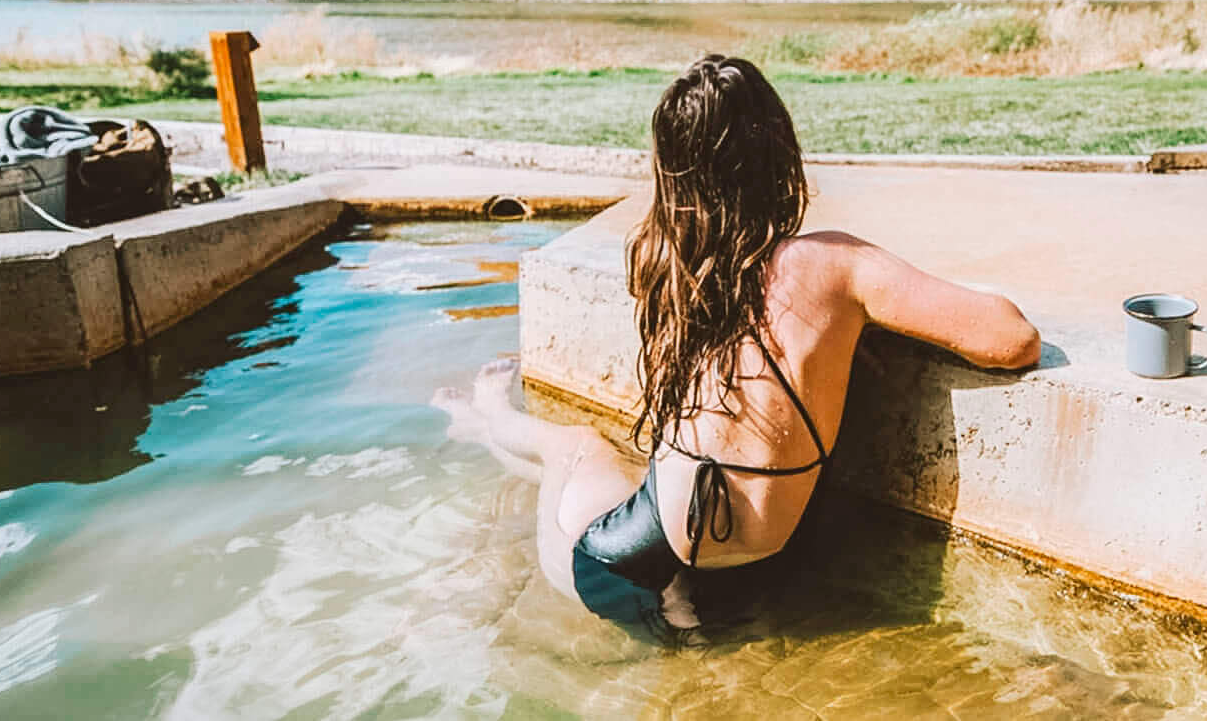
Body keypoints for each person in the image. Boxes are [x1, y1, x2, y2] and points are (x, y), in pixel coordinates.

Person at [434, 54, 1041, 639]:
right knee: (572, 446)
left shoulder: (670, 264)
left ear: (674, 175)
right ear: (779, 153)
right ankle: (485, 413)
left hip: (624, 574)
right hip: (704, 571)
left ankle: (485, 419)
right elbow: (1013, 341)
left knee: (581, 448)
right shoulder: (834, 267)